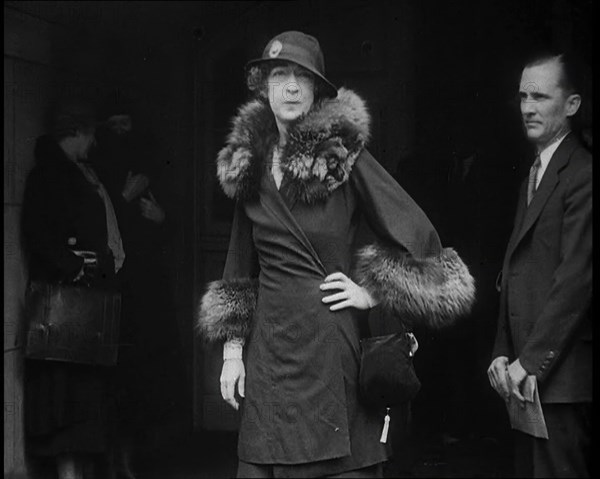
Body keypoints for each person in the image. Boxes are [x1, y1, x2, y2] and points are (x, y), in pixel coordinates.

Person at [197, 31, 475, 478]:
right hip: (268, 352)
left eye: (301, 78)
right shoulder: (246, 164)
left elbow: (417, 231)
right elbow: (238, 261)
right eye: (279, 75)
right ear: (263, 86)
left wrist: (373, 292)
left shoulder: (342, 156)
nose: (289, 86)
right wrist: (232, 352)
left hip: (329, 350)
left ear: (316, 91)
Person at [487, 51, 592, 477]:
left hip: (560, 381)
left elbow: (577, 279)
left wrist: (528, 361)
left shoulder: (582, 173)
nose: (527, 108)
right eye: (522, 97)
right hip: (527, 379)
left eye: (540, 97)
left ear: (572, 105)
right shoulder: (538, 171)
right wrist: (501, 353)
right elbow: (516, 270)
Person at [22, 100, 125, 479]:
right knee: (67, 407)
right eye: (90, 135)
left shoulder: (68, 173)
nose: (92, 144)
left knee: (78, 405)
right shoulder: (50, 175)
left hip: (77, 309)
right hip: (65, 310)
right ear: (78, 132)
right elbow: (39, 233)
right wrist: (76, 263)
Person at [90, 97, 185, 476]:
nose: (119, 134)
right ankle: (113, 459)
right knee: (115, 377)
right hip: (114, 287)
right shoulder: (97, 167)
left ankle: (134, 457)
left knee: (146, 376)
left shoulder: (151, 164)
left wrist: (161, 217)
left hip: (148, 288)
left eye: (124, 124)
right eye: (111, 126)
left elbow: (172, 220)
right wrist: (122, 199)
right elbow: (94, 220)